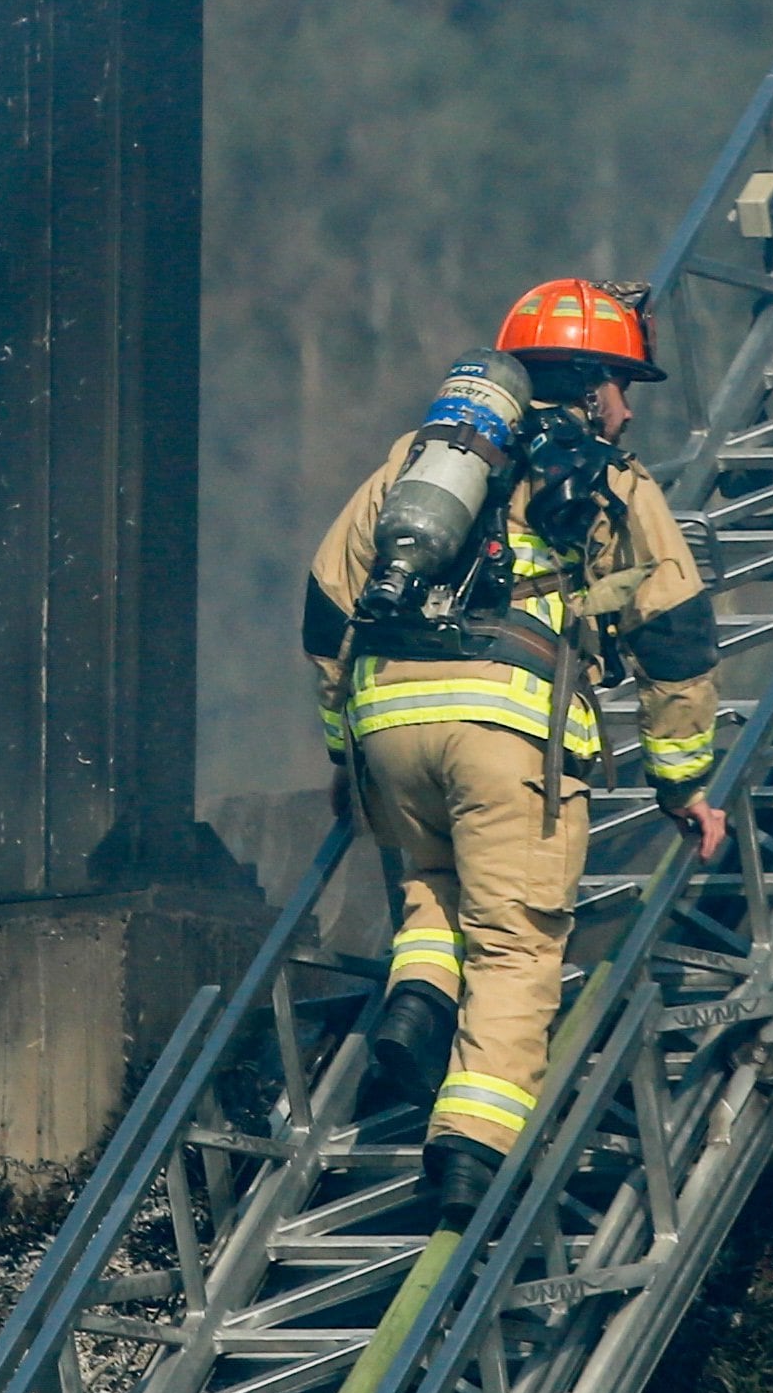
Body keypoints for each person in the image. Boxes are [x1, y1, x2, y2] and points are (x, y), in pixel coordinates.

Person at [305, 277, 729, 1227]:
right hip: (507, 734)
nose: (625, 408)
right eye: (619, 384)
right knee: (516, 942)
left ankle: (414, 1001)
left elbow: (327, 597)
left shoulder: (414, 465)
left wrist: (344, 747)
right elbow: (674, 633)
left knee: (430, 872)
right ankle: (468, 1156)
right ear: (584, 387)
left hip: (389, 719)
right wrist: (681, 782)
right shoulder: (610, 479)